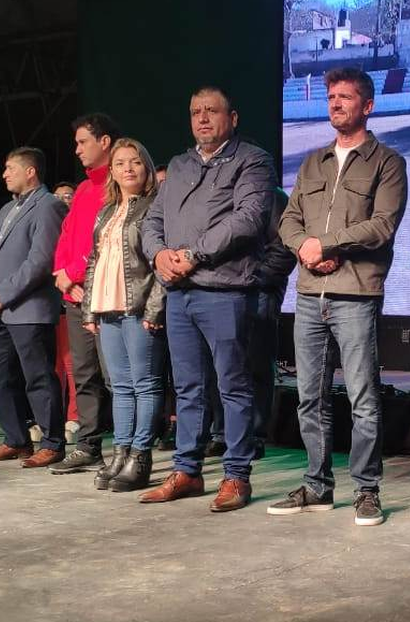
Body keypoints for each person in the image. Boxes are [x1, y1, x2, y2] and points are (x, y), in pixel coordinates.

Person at [270, 66, 408, 526]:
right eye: (331, 96)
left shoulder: (388, 162)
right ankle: (317, 484)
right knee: (310, 397)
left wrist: (326, 245)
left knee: (362, 398)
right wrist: (304, 249)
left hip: (355, 295)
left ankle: (366, 490)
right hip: (310, 293)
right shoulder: (313, 162)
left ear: (367, 105)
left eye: (346, 96)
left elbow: (382, 225)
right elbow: (289, 220)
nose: (336, 103)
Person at [140, 85, 274, 512]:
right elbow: (153, 220)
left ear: (231, 118)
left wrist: (192, 255)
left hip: (225, 291)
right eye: (195, 111)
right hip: (179, 293)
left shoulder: (252, 160)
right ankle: (188, 471)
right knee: (188, 389)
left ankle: (236, 476)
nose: (202, 118)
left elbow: (249, 219)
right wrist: (159, 253)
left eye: (211, 111)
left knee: (233, 386)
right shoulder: (178, 165)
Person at [81, 138, 166, 492]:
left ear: (146, 168)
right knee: (119, 387)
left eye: (135, 162)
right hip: (107, 308)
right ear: (112, 172)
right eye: (120, 163)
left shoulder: (155, 207)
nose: (128, 168)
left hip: (138, 307)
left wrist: (154, 307)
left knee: (144, 384)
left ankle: (141, 456)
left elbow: (161, 264)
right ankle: (122, 452)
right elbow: (94, 262)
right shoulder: (106, 212)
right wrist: (89, 308)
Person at [0, 147, 69, 467]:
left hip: (29, 307)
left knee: (38, 377)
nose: (4, 174)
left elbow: (40, 261)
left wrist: (2, 293)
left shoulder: (49, 206)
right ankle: (16, 440)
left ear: (31, 172)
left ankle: (53, 442)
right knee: (1, 376)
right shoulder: (5, 210)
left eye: (10, 168)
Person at [49, 113, 122, 475]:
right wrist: (61, 274)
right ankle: (88, 445)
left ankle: (127, 448)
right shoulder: (81, 189)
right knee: (84, 374)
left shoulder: (118, 185)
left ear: (104, 142)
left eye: (83, 142)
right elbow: (66, 235)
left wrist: (74, 273)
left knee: (115, 377)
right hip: (74, 295)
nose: (76, 150)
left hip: (106, 296)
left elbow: (104, 242)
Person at [203, 184, 295, 458]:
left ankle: (253, 434)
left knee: (254, 363)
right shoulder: (220, 194)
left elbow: (284, 247)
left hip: (259, 290)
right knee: (220, 363)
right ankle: (222, 432)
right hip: (221, 289)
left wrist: (257, 278)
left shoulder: (273, 196)